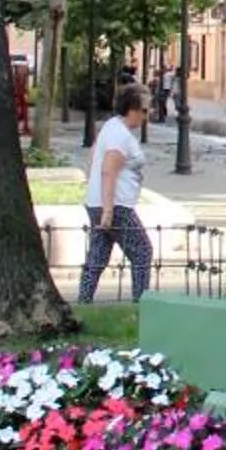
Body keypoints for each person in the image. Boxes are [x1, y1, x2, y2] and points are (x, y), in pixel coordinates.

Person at [78, 84, 154, 305]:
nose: (146, 116)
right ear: (132, 109)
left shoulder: (111, 127)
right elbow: (109, 170)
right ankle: (141, 306)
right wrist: (108, 210)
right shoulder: (120, 136)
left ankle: (83, 303)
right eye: (145, 111)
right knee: (142, 251)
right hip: (116, 205)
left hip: (97, 202)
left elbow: (93, 156)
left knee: (98, 255)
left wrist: (93, 189)